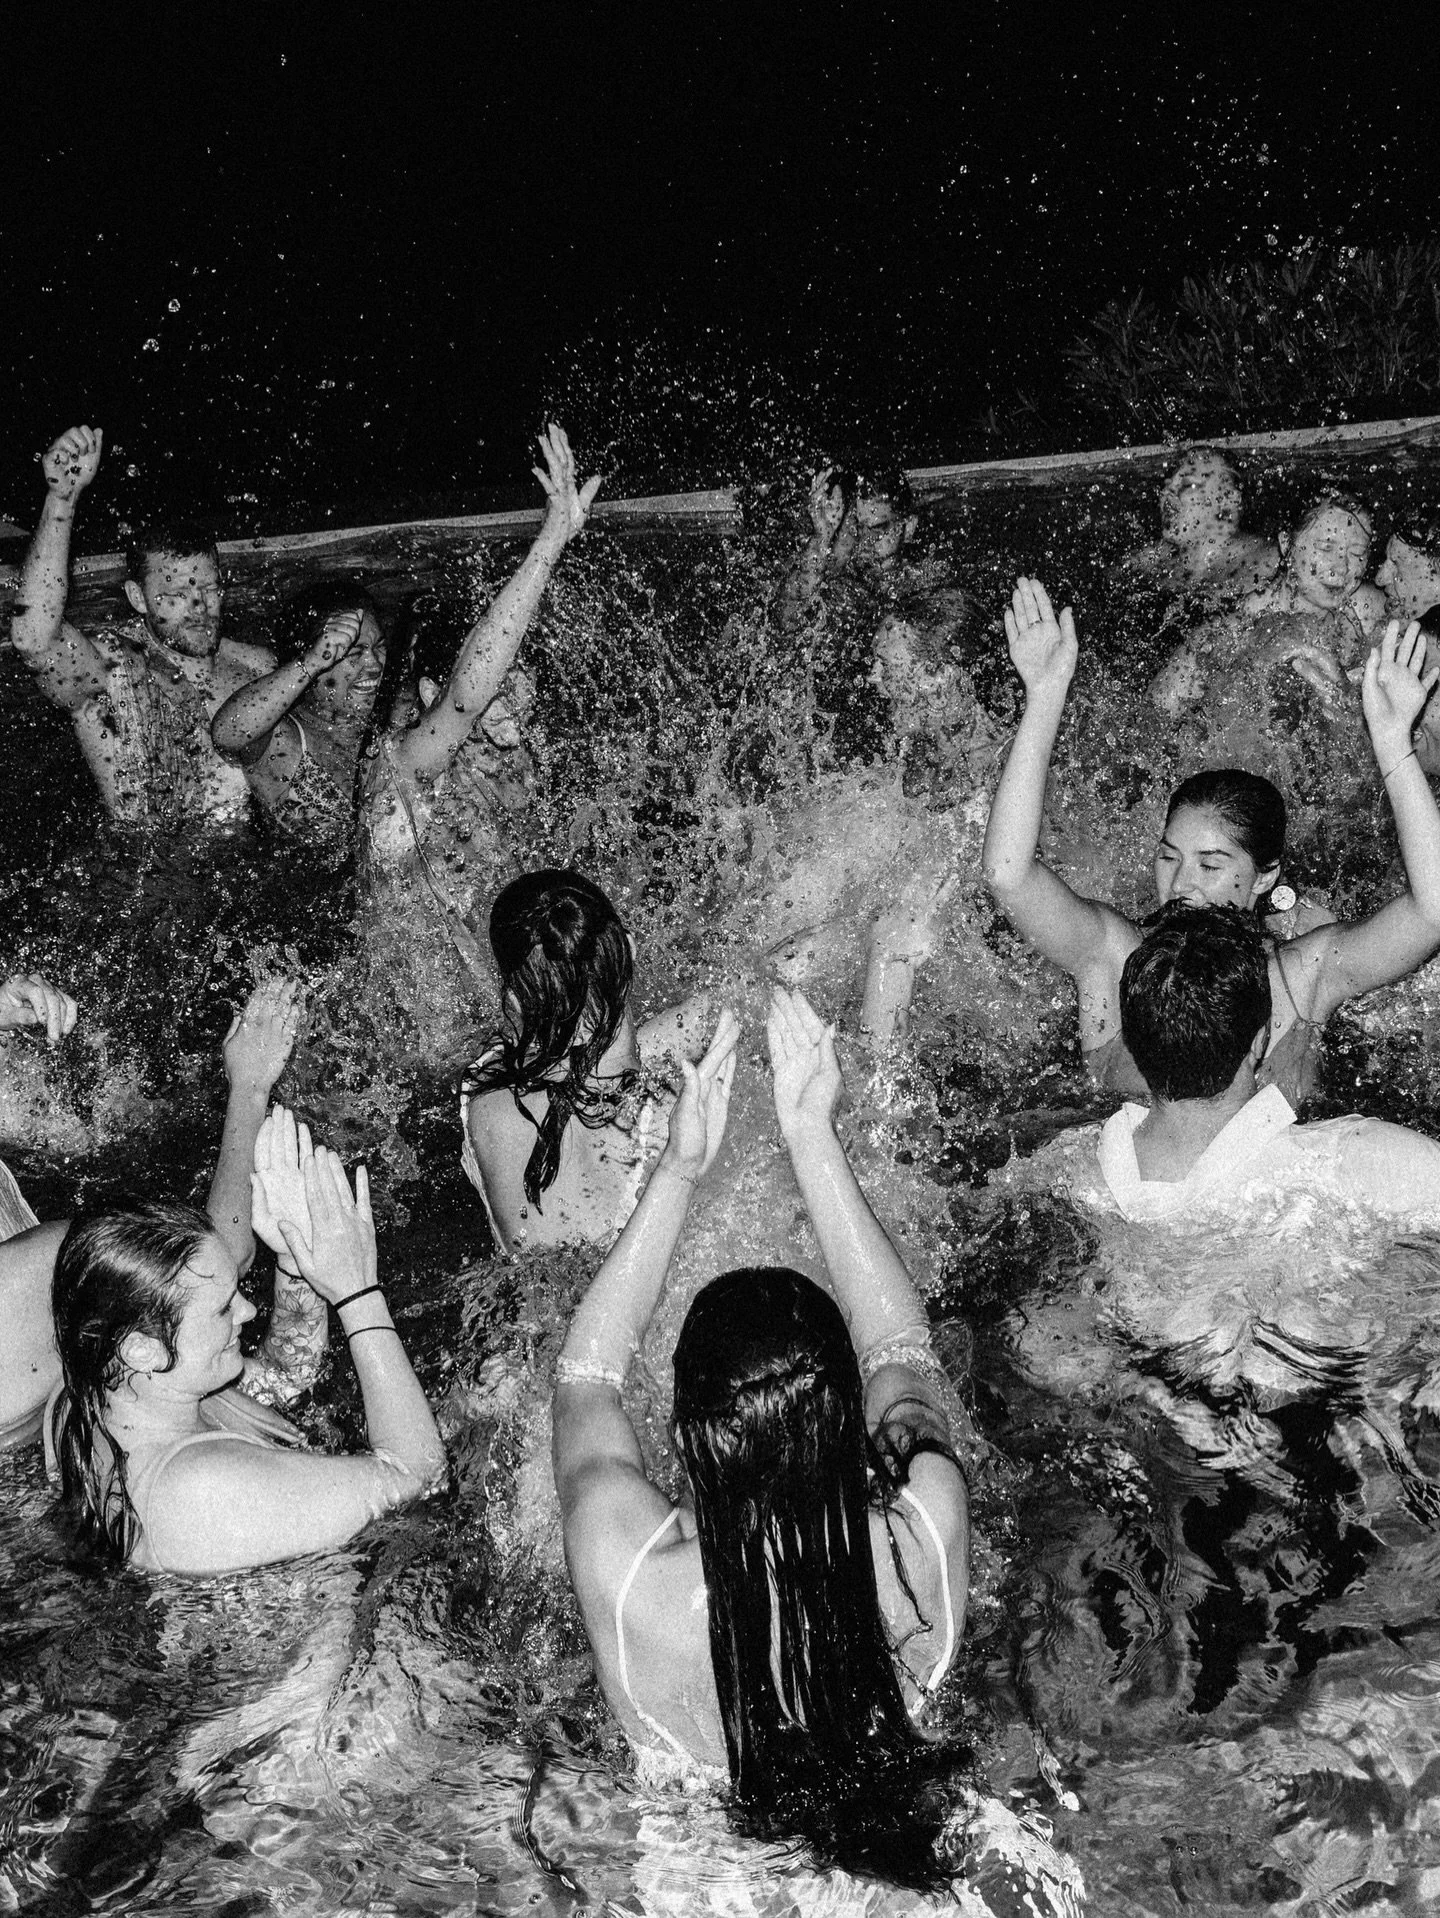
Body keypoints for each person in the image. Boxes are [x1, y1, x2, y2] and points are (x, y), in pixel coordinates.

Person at [553, 990, 975, 1884]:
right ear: (847, 1419)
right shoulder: (924, 1526)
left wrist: (676, 1170)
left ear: (685, 1435)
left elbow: (584, 1377)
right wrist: (812, 1134)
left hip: (705, 1888)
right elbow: (898, 1345)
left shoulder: (629, 1574)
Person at [982, 578, 1440, 1107]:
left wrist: (1391, 742)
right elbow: (1008, 874)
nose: (1180, 885)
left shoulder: (1303, 976)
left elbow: (1433, 911)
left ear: (1265, 876)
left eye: (1211, 863)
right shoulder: (1112, 955)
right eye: (1169, 857)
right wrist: (1043, 698)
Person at [47, 1105, 445, 1573]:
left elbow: (283, 1378)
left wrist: (294, 1259)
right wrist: (359, 1293)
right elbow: (420, 1475)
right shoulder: (201, 1487)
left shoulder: (87, 1396)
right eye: (222, 1308)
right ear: (141, 1349)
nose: (248, 1310)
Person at [2, 976, 304, 1449]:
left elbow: (209, 1273)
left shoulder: (41, 1277)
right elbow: (213, 1264)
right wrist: (248, 1088)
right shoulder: (32, 1276)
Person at [9, 425, 273, 831]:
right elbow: (33, 638)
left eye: (208, 588)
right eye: (176, 595)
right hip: (150, 874)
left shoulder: (257, 667)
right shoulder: (114, 669)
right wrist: (61, 500)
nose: (199, 607)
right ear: (137, 598)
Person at [461, 869, 709, 1252]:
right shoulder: (667, 1117)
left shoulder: (483, 1087)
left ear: (513, 1002)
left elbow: (578, 1068)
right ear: (630, 949)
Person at [1150, 493, 1386, 720]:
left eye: (1357, 554)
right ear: (1287, 545)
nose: (1342, 567)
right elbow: (1153, 717)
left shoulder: (1367, 611)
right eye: (1326, 547)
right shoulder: (1230, 633)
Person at [209, 587, 393, 865]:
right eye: (353, 652)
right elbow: (227, 732)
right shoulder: (283, 740)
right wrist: (312, 661)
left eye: (379, 646)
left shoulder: (393, 719)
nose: (374, 663)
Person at [1116, 447, 1278, 603]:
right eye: (1167, 485)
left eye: (1188, 485)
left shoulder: (1269, 563)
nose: (1167, 494)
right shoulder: (1148, 562)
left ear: (1230, 500)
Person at [775, 466, 919, 631]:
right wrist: (821, 537)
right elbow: (787, 619)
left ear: (908, 527)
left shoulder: (918, 586)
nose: (866, 539)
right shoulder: (845, 582)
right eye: (860, 527)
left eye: (878, 529)